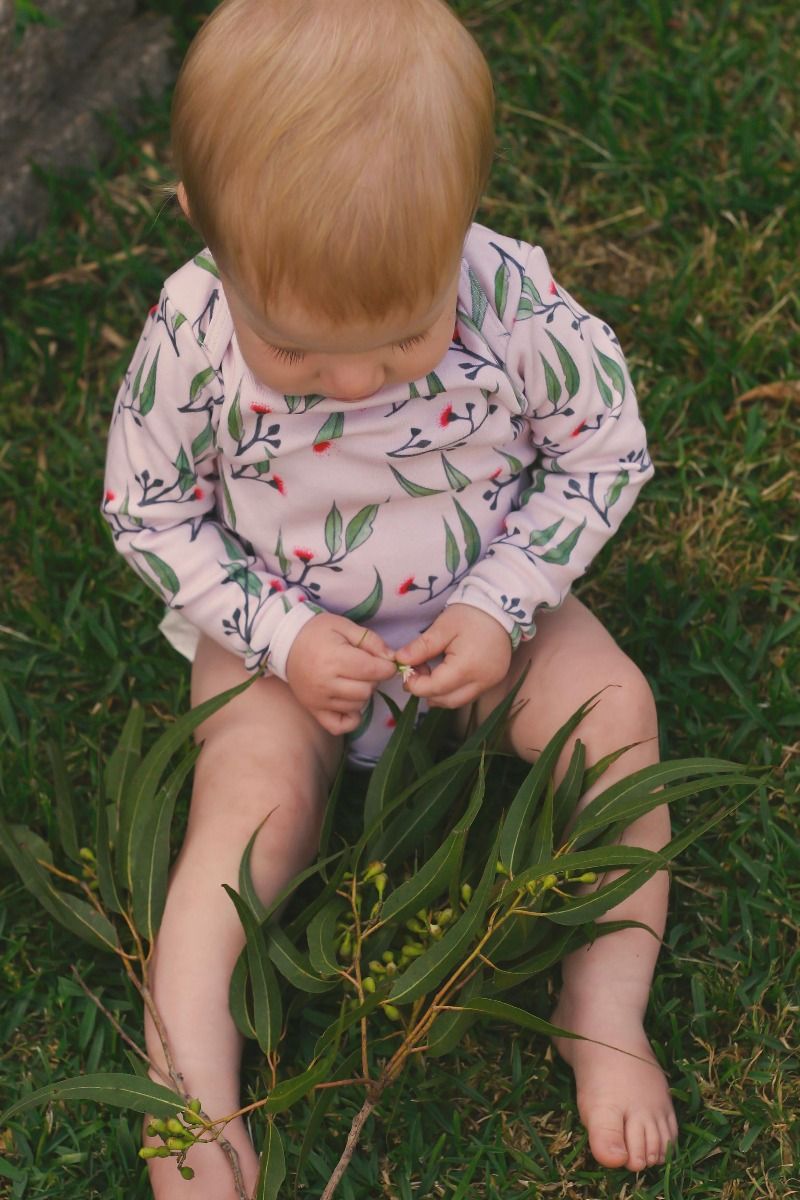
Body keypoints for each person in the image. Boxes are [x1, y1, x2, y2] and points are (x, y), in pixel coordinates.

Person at [102, 0, 676, 1192]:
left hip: (483, 610)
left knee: (616, 718)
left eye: (404, 338)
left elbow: (600, 456)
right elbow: (150, 511)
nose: (353, 382)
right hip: (280, 628)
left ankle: (604, 1015)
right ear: (207, 233)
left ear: (460, 225)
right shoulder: (194, 331)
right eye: (298, 352)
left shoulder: (508, 301)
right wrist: (281, 632)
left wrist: (505, 601)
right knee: (242, 814)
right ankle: (188, 1095)